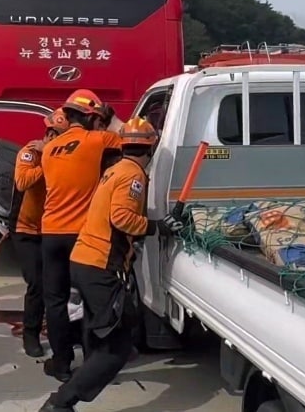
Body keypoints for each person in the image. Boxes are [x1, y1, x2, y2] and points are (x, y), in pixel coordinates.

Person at [40, 117, 183, 412]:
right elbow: (121, 217)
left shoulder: (114, 170)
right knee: (117, 347)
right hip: (100, 266)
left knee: (97, 330)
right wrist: (157, 227)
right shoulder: (133, 175)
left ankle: (80, 379)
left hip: (84, 260)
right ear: (149, 149)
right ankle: (62, 402)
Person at [39, 89, 124, 382]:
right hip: (82, 236)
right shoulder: (97, 140)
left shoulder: (49, 149)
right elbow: (131, 138)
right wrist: (108, 119)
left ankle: (61, 363)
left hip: (50, 233)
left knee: (55, 301)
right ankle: (92, 363)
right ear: (90, 117)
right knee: (90, 299)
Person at [12, 109, 70, 358]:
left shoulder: (67, 157)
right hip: (26, 229)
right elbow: (22, 182)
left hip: (53, 228)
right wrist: (47, 159)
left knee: (57, 285)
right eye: (54, 135)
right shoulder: (30, 152)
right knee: (37, 283)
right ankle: (31, 334)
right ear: (48, 133)